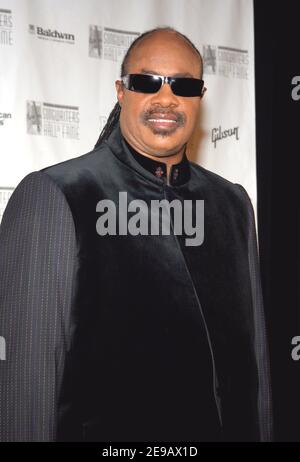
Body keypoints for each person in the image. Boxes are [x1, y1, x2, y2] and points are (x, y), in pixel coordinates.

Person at [0, 26, 272, 442]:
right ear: (121, 91)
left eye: (182, 85)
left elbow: (255, 368)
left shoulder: (233, 204)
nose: (166, 98)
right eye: (147, 82)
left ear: (199, 96)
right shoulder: (59, 194)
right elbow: (27, 380)